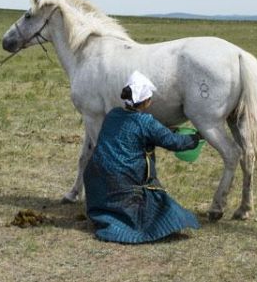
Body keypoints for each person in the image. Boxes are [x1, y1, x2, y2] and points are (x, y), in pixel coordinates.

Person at [83, 71, 202, 243]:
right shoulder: (146, 122)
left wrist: (165, 131)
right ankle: (124, 224)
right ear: (145, 102)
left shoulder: (113, 114)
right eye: (150, 98)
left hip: (96, 175)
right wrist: (196, 138)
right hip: (123, 180)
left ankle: (105, 215)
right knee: (160, 207)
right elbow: (175, 143)